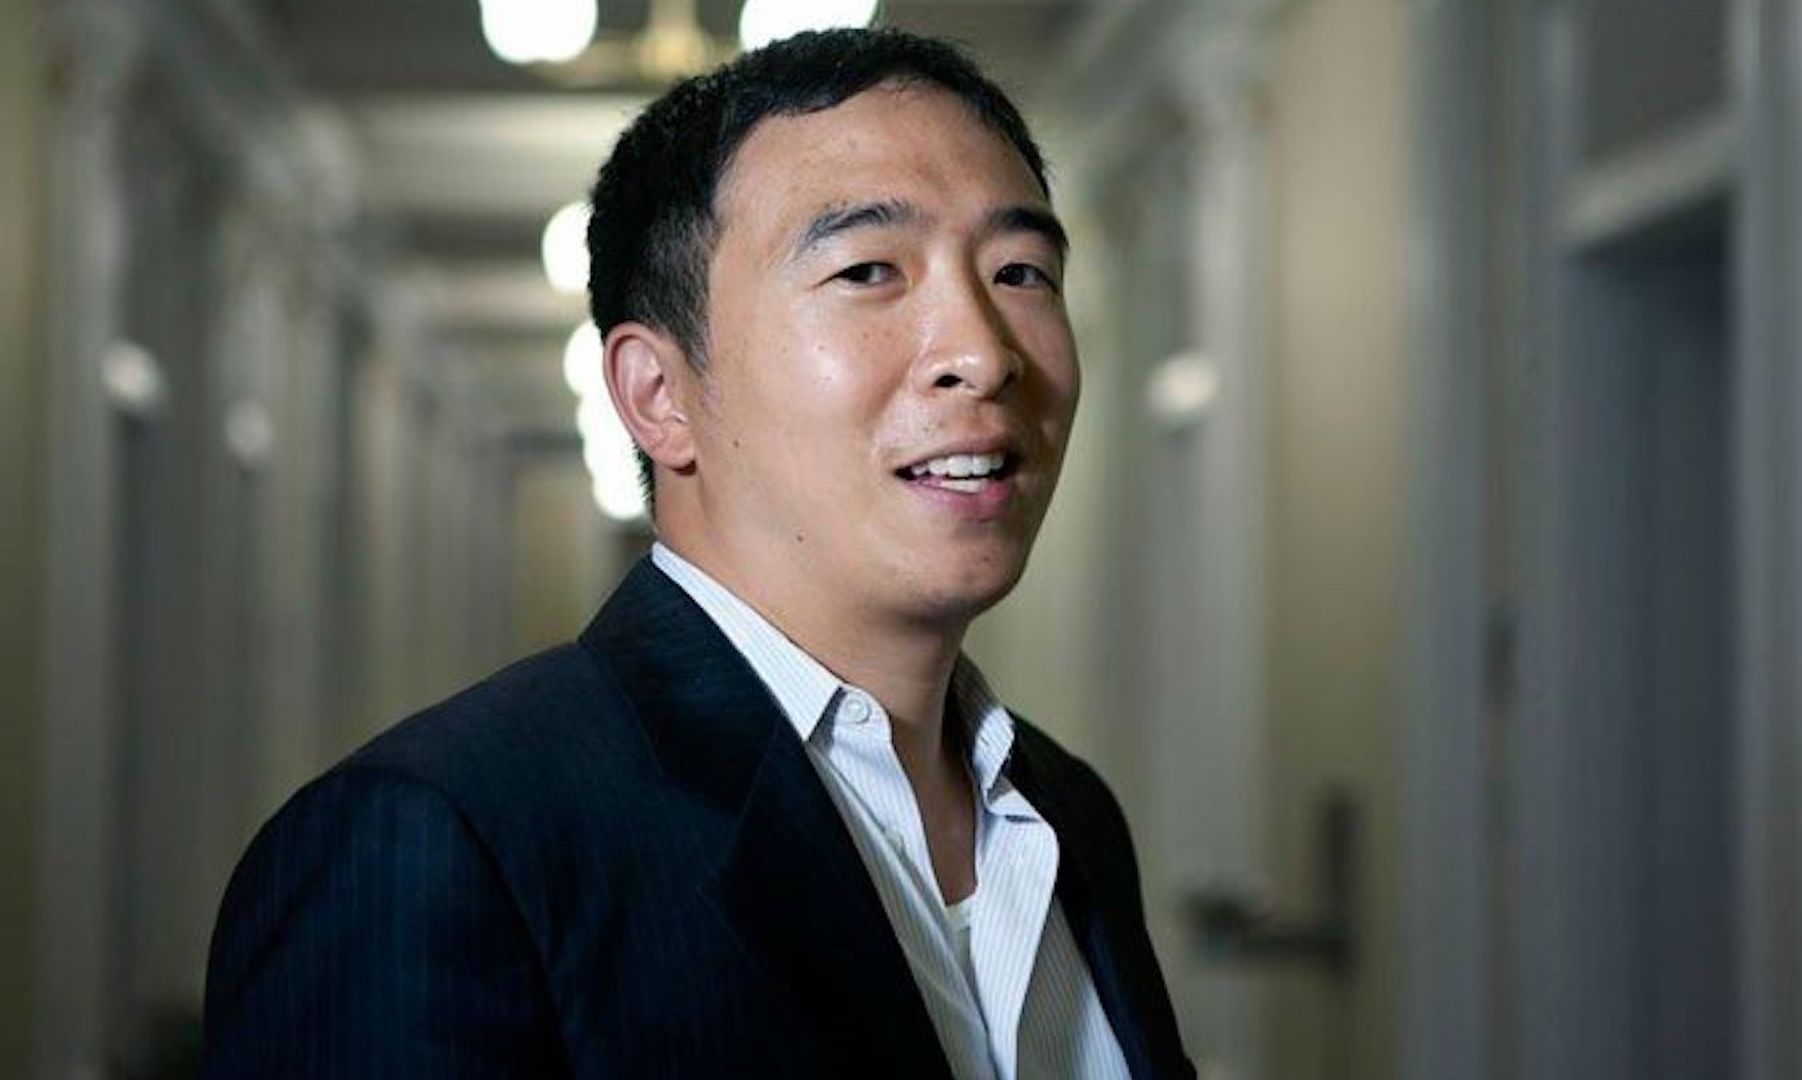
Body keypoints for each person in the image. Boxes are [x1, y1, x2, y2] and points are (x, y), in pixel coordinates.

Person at [200, 28, 1191, 1080]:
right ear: (660, 396)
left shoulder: (1066, 812)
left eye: (1021, 271)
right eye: (868, 270)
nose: (982, 354)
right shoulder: (435, 839)